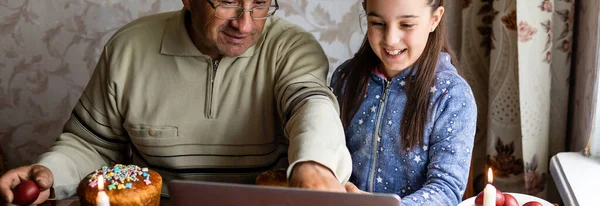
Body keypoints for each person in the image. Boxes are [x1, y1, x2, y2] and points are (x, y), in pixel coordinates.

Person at [0, 0, 353, 204]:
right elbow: (90, 144)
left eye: (260, 3)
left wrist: (316, 166)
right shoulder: (128, 48)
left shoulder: (292, 47)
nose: (245, 24)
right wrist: (49, 172)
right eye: (227, 1)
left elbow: (311, 103)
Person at [334, 0, 477, 205]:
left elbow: (446, 189)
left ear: (434, 19)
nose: (391, 39)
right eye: (378, 23)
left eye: (406, 25)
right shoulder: (345, 79)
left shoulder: (451, 95)